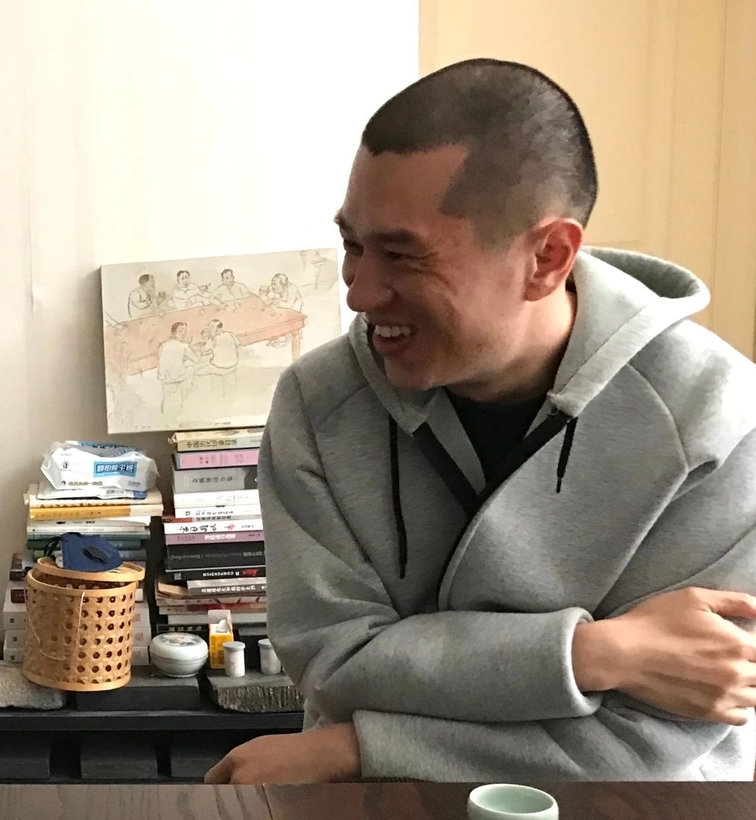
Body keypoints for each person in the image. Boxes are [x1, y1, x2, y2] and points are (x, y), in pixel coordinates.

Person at [205, 59, 756, 785]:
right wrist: (593, 655)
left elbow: (654, 739)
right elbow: (336, 666)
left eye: (402, 254)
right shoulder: (318, 402)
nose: (360, 293)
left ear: (546, 258)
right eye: (353, 246)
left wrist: (360, 750)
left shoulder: (717, 417)